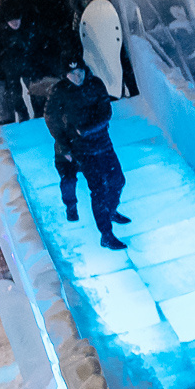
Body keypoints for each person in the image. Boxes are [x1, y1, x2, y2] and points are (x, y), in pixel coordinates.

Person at [45, 58, 130, 250]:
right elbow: (52, 120)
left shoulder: (95, 84)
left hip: (102, 143)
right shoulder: (60, 92)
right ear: (65, 75)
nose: (77, 77)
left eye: (80, 72)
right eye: (72, 73)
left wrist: (85, 130)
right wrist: (65, 147)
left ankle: (111, 210)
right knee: (98, 189)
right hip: (81, 149)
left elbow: (106, 112)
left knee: (117, 180)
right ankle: (106, 235)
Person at [0, 0, 35, 124]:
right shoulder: (2, 12)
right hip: (14, 56)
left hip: (17, 56)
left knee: (24, 88)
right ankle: (26, 114)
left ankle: (27, 114)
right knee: (17, 91)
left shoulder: (19, 6)